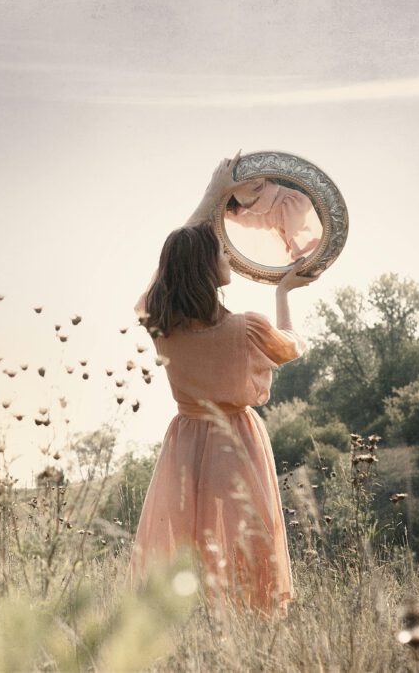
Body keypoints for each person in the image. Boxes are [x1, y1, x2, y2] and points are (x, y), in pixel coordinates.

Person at [125, 152, 319, 618]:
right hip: (237, 442)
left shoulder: (163, 323)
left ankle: (193, 626)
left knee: (186, 538)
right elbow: (291, 346)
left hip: (185, 441)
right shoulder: (245, 328)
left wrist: (212, 196)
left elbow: (168, 267)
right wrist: (283, 293)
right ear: (204, 269)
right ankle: (243, 628)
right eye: (218, 252)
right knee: (241, 538)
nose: (226, 253)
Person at [224, 176, 322, 264]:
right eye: (245, 176)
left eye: (257, 168)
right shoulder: (221, 213)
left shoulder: (291, 202)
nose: (256, 180)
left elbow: (309, 260)